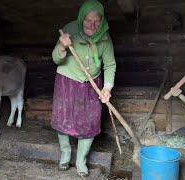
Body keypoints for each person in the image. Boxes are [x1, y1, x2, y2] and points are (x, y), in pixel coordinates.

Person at [51, 0, 116, 177]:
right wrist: (62, 46)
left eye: (97, 21)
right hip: (67, 80)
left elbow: (110, 65)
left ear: (102, 21)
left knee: (90, 121)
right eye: (88, 20)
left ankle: (81, 161)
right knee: (63, 117)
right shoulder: (69, 29)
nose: (92, 25)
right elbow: (56, 59)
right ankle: (65, 153)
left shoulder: (104, 36)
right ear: (82, 18)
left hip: (92, 84)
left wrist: (107, 88)